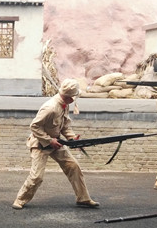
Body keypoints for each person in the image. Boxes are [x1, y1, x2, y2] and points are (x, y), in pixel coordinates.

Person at [12, 79, 99, 210]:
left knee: (73, 166)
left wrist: (73, 138)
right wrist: (49, 140)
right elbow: (34, 127)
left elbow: (65, 126)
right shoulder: (50, 108)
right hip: (41, 144)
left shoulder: (65, 105)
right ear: (69, 97)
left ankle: (83, 198)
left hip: (56, 142)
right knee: (37, 176)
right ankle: (20, 199)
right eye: (74, 97)